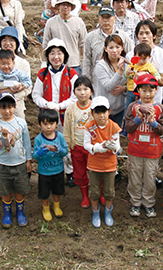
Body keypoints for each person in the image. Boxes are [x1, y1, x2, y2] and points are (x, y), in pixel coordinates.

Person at [124, 74, 163, 218]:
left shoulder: (160, 108)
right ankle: (135, 202)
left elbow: (162, 130)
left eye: (151, 90)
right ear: (138, 91)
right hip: (135, 150)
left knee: (150, 178)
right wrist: (138, 118)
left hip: (153, 151)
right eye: (144, 90)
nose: (147, 94)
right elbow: (128, 128)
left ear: (156, 91)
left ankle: (149, 203)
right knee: (135, 176)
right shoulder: (133, 106)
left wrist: (152, 121)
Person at [0, 92, 32, 229]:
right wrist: (4, 137)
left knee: (20, 188)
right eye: (3, 108)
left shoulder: (21, 122)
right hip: (3, 164)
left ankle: (20, 212)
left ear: (15, 106)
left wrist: (28, 160)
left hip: (20, 163)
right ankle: (7, 214)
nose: (7, 111)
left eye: (10, 107)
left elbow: (26, 142)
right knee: (5, 189)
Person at [83, 96, 121, 228]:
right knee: (94, 191)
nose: (101, 115)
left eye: (104, 112)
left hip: (110, 165)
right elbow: (86, 145)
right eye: (97, 112)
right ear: (92, 113)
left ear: (109, 112)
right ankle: (95, 212)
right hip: (94, 165)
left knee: (109, 191)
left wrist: (113, 147)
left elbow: (118, 147)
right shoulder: (89, 127)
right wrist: (98, 147)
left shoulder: (114, 127)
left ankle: (108, 212)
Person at [0, 27, 32, 120]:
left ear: (16, 43)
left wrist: (10, 95)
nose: (8, 43)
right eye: (4, 40)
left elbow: (28, 87)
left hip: (17, 105)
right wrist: (11, 86)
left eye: (11, 40)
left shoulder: (23, 63)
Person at [32, 39, 79, 128]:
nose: (56, 57)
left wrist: (59, 106)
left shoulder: (71, 74)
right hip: (47, 119)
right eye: (52, 53)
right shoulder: (42, 74)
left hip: (67, 118)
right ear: (48, 56)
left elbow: (75, 97)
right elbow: (36, 95)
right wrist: (47, 104)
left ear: (64, 55)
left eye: (59, 53)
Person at [82, 5, 133, 83]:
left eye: (108, 17)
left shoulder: (124, 36)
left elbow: (130, 58)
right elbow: (87, 61)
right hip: (98, 82)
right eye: (103, 17)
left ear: (115, 18)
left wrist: (126, 84)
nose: (105, 20)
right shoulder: (90, 37)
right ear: (99, 19)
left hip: (120, 82)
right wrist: (86, 82)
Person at [33, 108, 68, 222]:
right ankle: (46, 208)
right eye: (45, 124)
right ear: (40, 124)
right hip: (44, 171)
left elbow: (66, 151)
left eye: (51, 123)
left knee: (57, 190)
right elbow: (35, 156)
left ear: (56, 124)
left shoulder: (60, 137)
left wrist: (59, 150)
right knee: (44, 192)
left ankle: (56, 206)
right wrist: (39, 153)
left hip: (58, 170)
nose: (49, 127)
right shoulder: (38, 139)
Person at [63, 77, 93, 208]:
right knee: (80, 173)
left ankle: (99, 194)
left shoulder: (95, 107)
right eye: (78, 89)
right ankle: (85, 196)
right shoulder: (71, 109)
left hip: (92, 148)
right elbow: (67, 130)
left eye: (85, 89)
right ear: (74, 92)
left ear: (91, 91)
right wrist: (68, 148)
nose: (82, 93)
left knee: (96, 172)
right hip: (77, 147)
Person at [125, 20, 163, 104]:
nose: (144, 36)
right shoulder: (130, 55)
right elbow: (127, 77)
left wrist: (144, 75)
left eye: (147, 33)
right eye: (141, 33)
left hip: (154, 100)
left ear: (154, 36)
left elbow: (162, 82)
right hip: (134, 98)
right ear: (137, 36)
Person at [42, 0, 87, 76]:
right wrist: (44, 63)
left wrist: (86, 64)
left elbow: (83, 44)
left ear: (71, 7)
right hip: (56, 64)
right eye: (63, 4)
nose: (65, 7)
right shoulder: (51, 22)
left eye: (68, 5)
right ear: (58, 6)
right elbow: (45, 44)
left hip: (74, 64)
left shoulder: (79, 22)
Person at [93, 35, 127, 127]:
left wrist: (124, 89)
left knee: (115, 136)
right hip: (103, 109)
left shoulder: (126, 64)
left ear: (122, 48)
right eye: (111, 47)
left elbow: (131, 83)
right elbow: (108, 86)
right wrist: (120, 71)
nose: (115, 50)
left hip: (119, 108)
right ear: (105, 49)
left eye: (117, 47)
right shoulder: (101, 66)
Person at [0, 49, 32, 114]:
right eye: (3, 64)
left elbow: (28, 81)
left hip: (16, 102)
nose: (6, 66)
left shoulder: (19, 73)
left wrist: (22, 86)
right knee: (1, 119)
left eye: (9, 64)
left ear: (13, 63)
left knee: (18, 118)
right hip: (1, 102)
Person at [124, 43, 162, 111]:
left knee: (141, 107)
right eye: (139, 58)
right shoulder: (132, 65)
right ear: (134, 56)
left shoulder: (149, 66)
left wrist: (155, 78)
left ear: (149, 57)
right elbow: (126, 75)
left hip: (143, 92)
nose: (141, 61)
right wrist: (128, 72)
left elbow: (157, 75)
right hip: (131, 90)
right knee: (129, 107)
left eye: (144, 59)